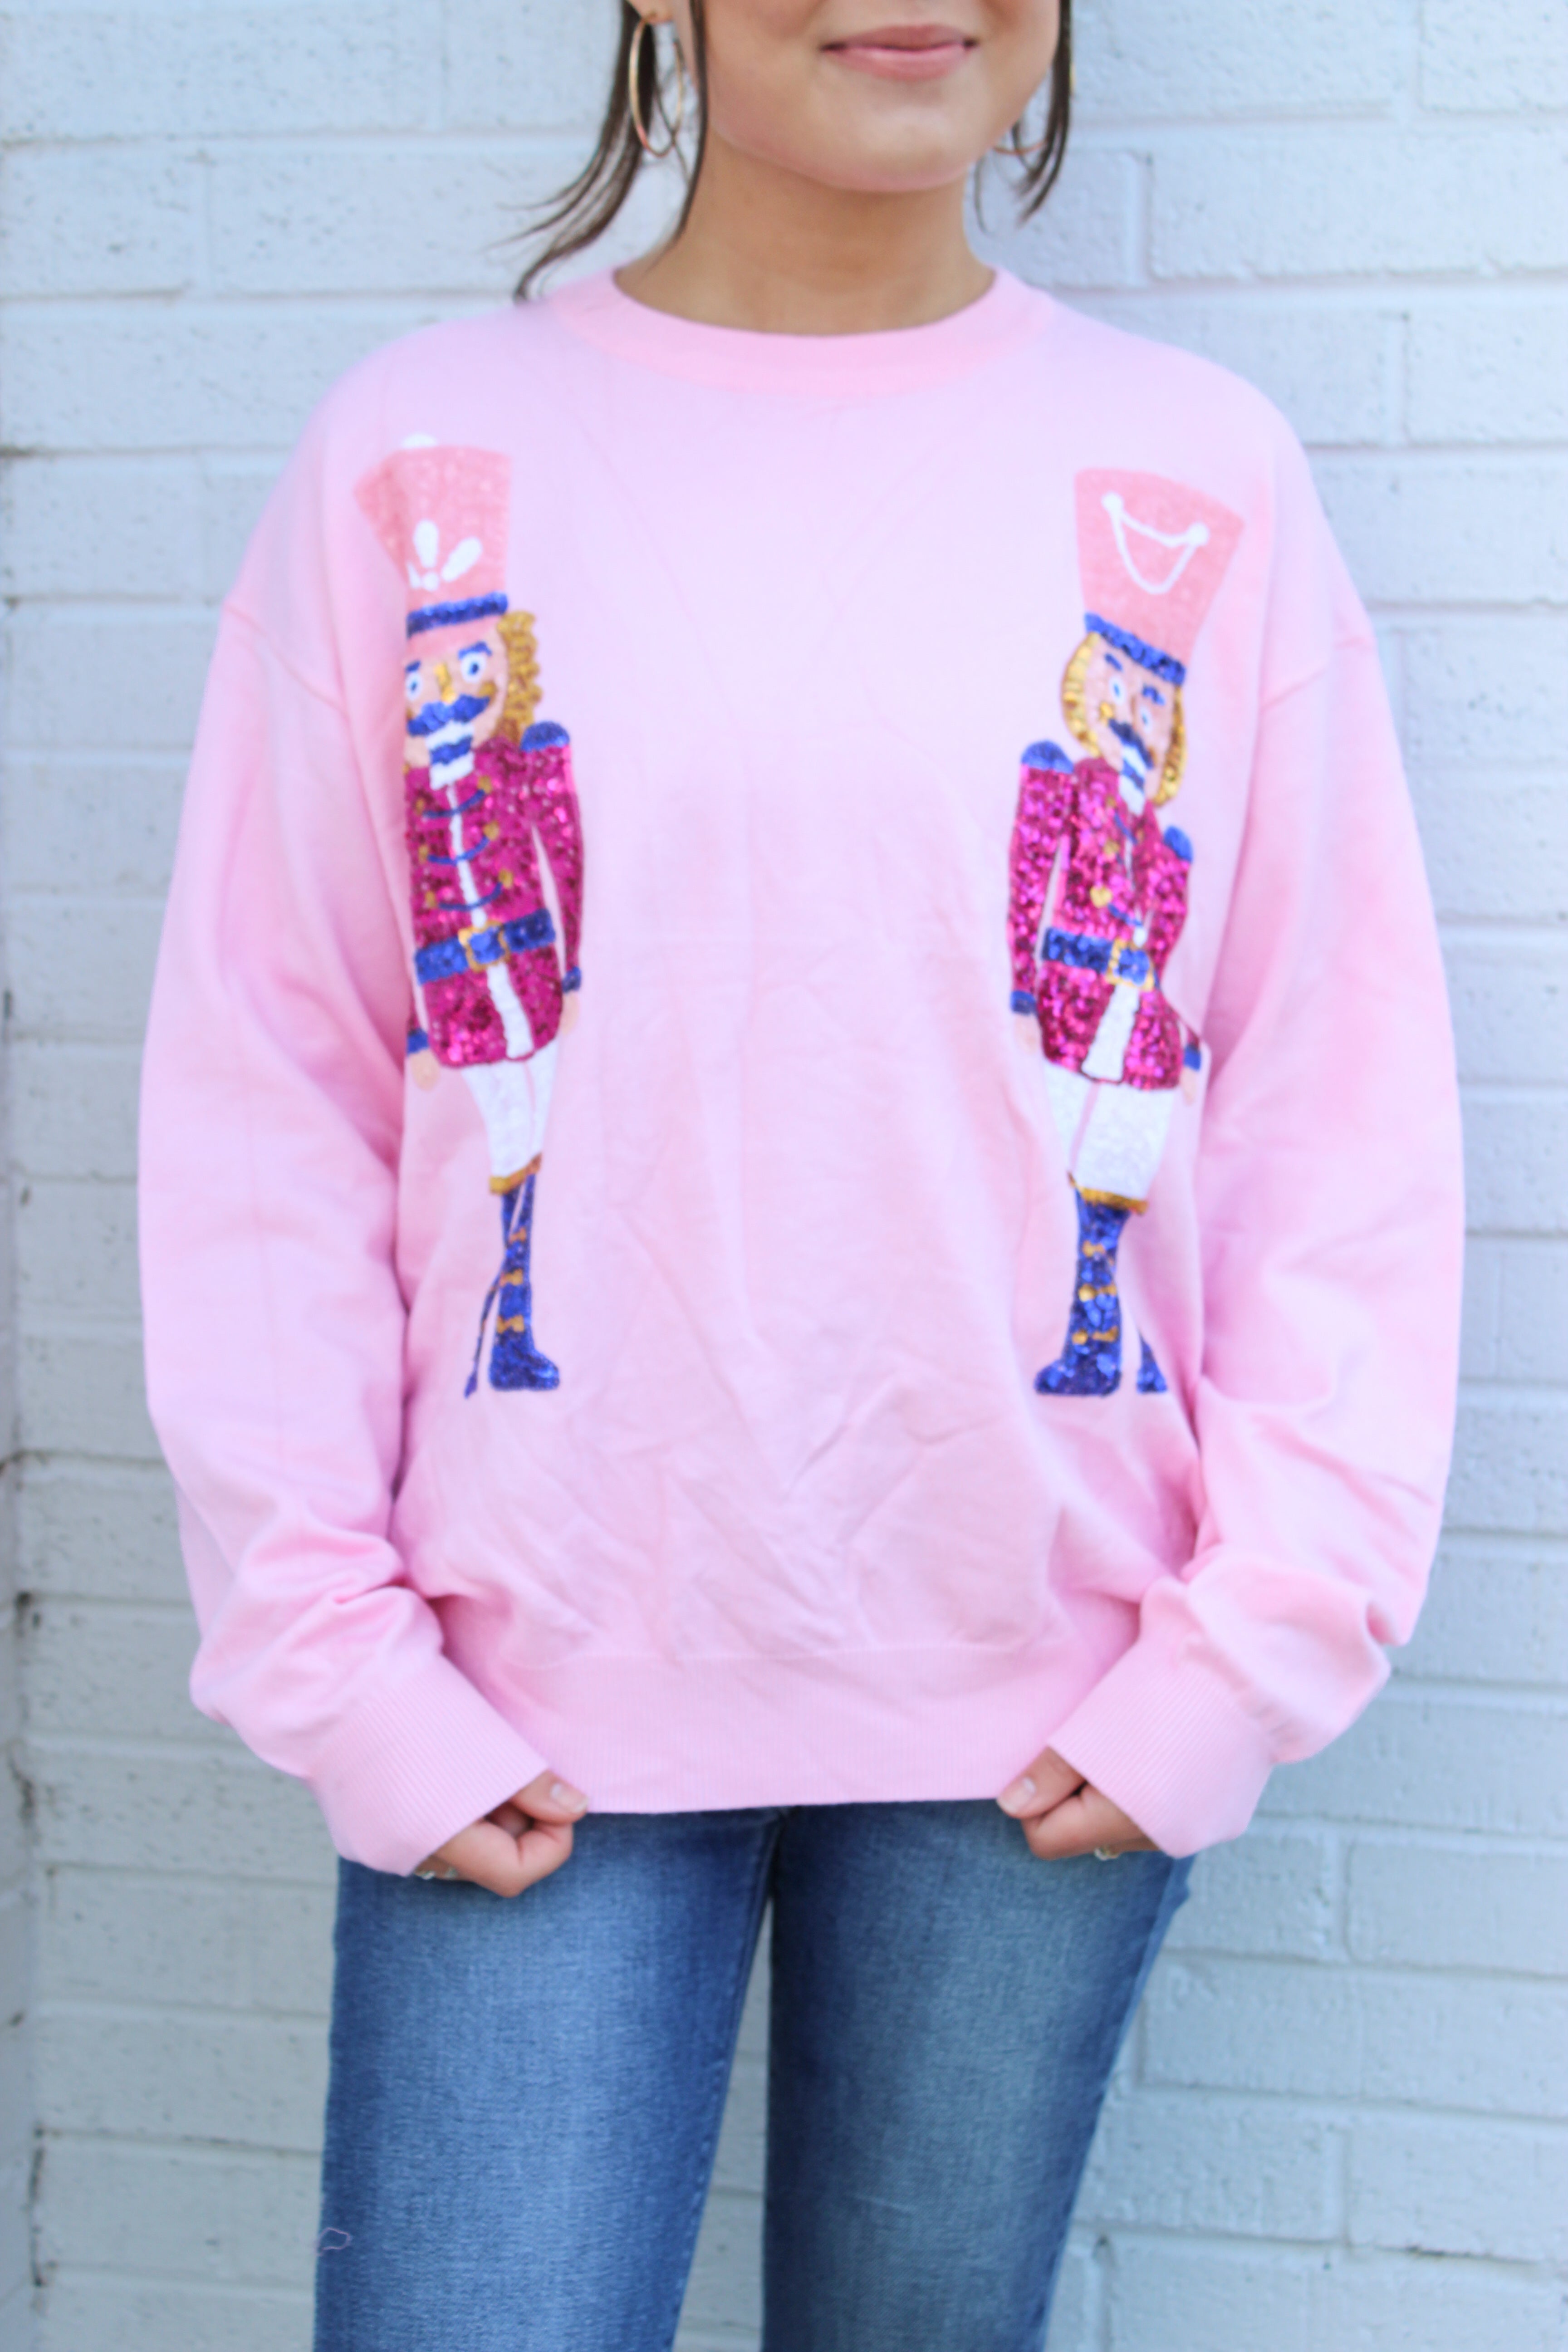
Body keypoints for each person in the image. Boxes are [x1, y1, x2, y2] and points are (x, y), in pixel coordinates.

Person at [137, 4, 1463, 2347]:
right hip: (524, 1691)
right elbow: (279, 1087)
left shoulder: (1197, 475)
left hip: (1045, 1705)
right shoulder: (422, 464)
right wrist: (339, 1666)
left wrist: (1243, 1656)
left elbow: (1325, 1107)